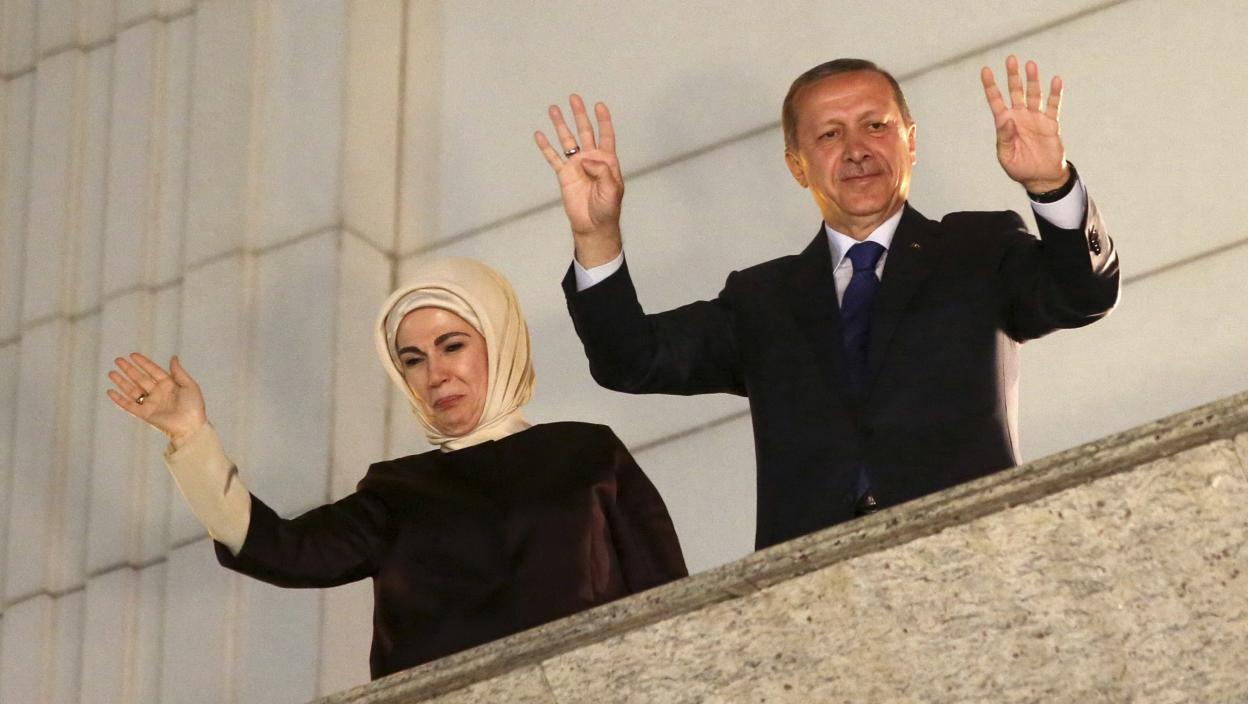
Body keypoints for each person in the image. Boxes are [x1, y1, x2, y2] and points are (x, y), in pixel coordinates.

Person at [534, 56, 1119, 551]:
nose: (857, 150)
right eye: (830, 135)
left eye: (876, 126)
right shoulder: (761, 299)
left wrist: (1050, 185)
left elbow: (1083, 294)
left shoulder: (977, 248)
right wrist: (596, 235)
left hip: (972, 554)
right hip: (809, 588)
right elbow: (629, 360)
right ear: (797, 165)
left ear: (911, 142)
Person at [105, 257, 687, 680]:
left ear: (500, 341)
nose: (436, 374)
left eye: (452, 345)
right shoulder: (397, 491)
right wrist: (190, 436)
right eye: (413, 359)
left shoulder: (586, 451)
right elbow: (277, 548)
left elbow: (669, 605)